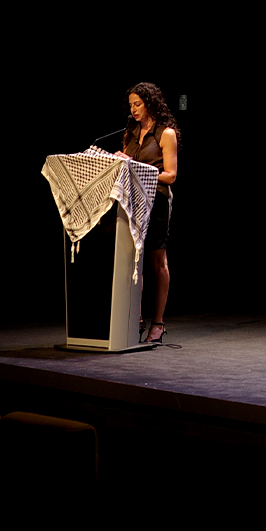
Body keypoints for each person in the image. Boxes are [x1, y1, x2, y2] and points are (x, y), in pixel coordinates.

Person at [117, 82, 179, 343]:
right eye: (130, 105)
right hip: (131, 201)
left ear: (150, 103)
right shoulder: (130, 131)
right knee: (133, 262)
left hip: (156, 201)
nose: (133, 110)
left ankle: (159, 322)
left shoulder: (166, 133)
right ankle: (134, 318)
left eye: (137, 104)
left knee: (156, 262)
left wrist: (138, 168)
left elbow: (171, 175)